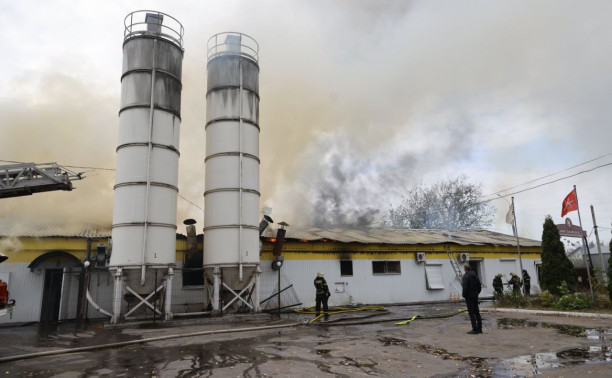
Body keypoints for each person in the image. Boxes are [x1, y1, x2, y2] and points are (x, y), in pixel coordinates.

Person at [462, 265, 482, 334]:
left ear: (465, 269)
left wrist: (464, 295)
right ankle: (480, 328)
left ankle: (475, 329)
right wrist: (476, 293)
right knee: (477, 312)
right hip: (475, 296)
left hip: (469, 297)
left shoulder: (466, 276)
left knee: (471, 313)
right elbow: (479, 286)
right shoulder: (475, 276)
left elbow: (465, 287)